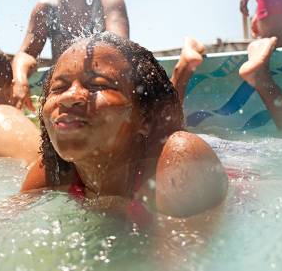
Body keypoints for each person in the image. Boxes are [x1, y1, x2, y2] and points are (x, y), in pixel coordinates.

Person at [21, 32, 229, 221]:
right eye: (59, 88)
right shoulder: (55, 167)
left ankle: (183, 69)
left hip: (231, 157)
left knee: (172, 125)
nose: (68, 97)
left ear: (145, 118)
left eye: (98, 85)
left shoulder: (181, 159)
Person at [11, 0, 129, 110]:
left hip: (100, 89)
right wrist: (20, 80)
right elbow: (27, 54)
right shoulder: (45, 8)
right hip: (62, 90)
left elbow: (119, 47)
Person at [171, 36, 282, 137]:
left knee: (166, 145)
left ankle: (182, 73)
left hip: (216, 159)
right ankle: (261, 78)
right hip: (249, 157)